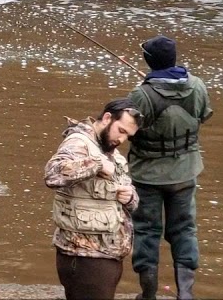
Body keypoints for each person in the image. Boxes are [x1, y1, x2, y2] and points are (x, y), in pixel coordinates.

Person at [126, 35, 214, 300]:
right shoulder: (197, 86)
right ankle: (185, 294)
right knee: (184, 229)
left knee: (146, 231)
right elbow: (204, 115)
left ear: (149, 62)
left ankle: (148, 294)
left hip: (147, 176)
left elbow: (128, 131)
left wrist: (148, 89)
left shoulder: (141, 95)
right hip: (186, 173)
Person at [44, 98, 142, 300]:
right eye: (121, 131)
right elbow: (52, 174)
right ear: (107, 118)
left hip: (106, 254)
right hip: (84, 257)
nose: (122, 140)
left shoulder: (109, 149)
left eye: (128, 136)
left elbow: (129, 196)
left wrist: (130, 196)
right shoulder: (78, 142)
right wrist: (96, 164)